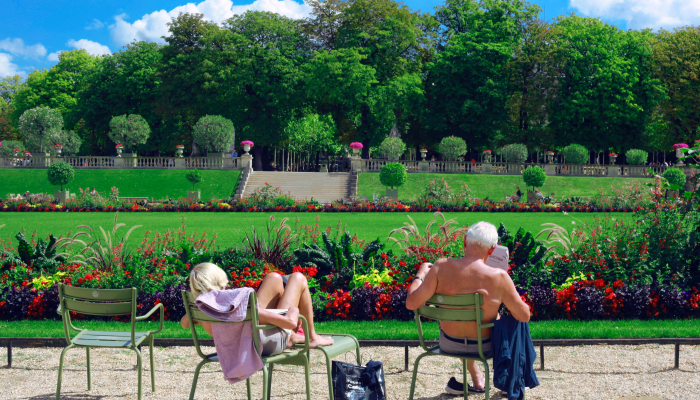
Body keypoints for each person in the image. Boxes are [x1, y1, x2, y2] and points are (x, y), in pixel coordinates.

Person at [406, 222, 531, 396]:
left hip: (449, 343)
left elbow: (411, 303)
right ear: (492, 250)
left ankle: (478, 379)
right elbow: (524, 316)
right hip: (484, 347)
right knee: (515, 322)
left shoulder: (440, 267)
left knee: (463, 320)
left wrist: (420, 275)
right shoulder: (499, 277)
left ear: (465, 241)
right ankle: (511, 381)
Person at [181, 263, 334, 354]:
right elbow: (289, 322)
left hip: (247, 340)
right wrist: (294, 311)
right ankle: (311, 336)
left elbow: (184, 323)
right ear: (221, 280)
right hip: (262, 343)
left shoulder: (202, 308)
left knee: (273, 278)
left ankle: (293, 337)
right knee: (298, 278)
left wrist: (197, 308)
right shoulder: (232, 305)